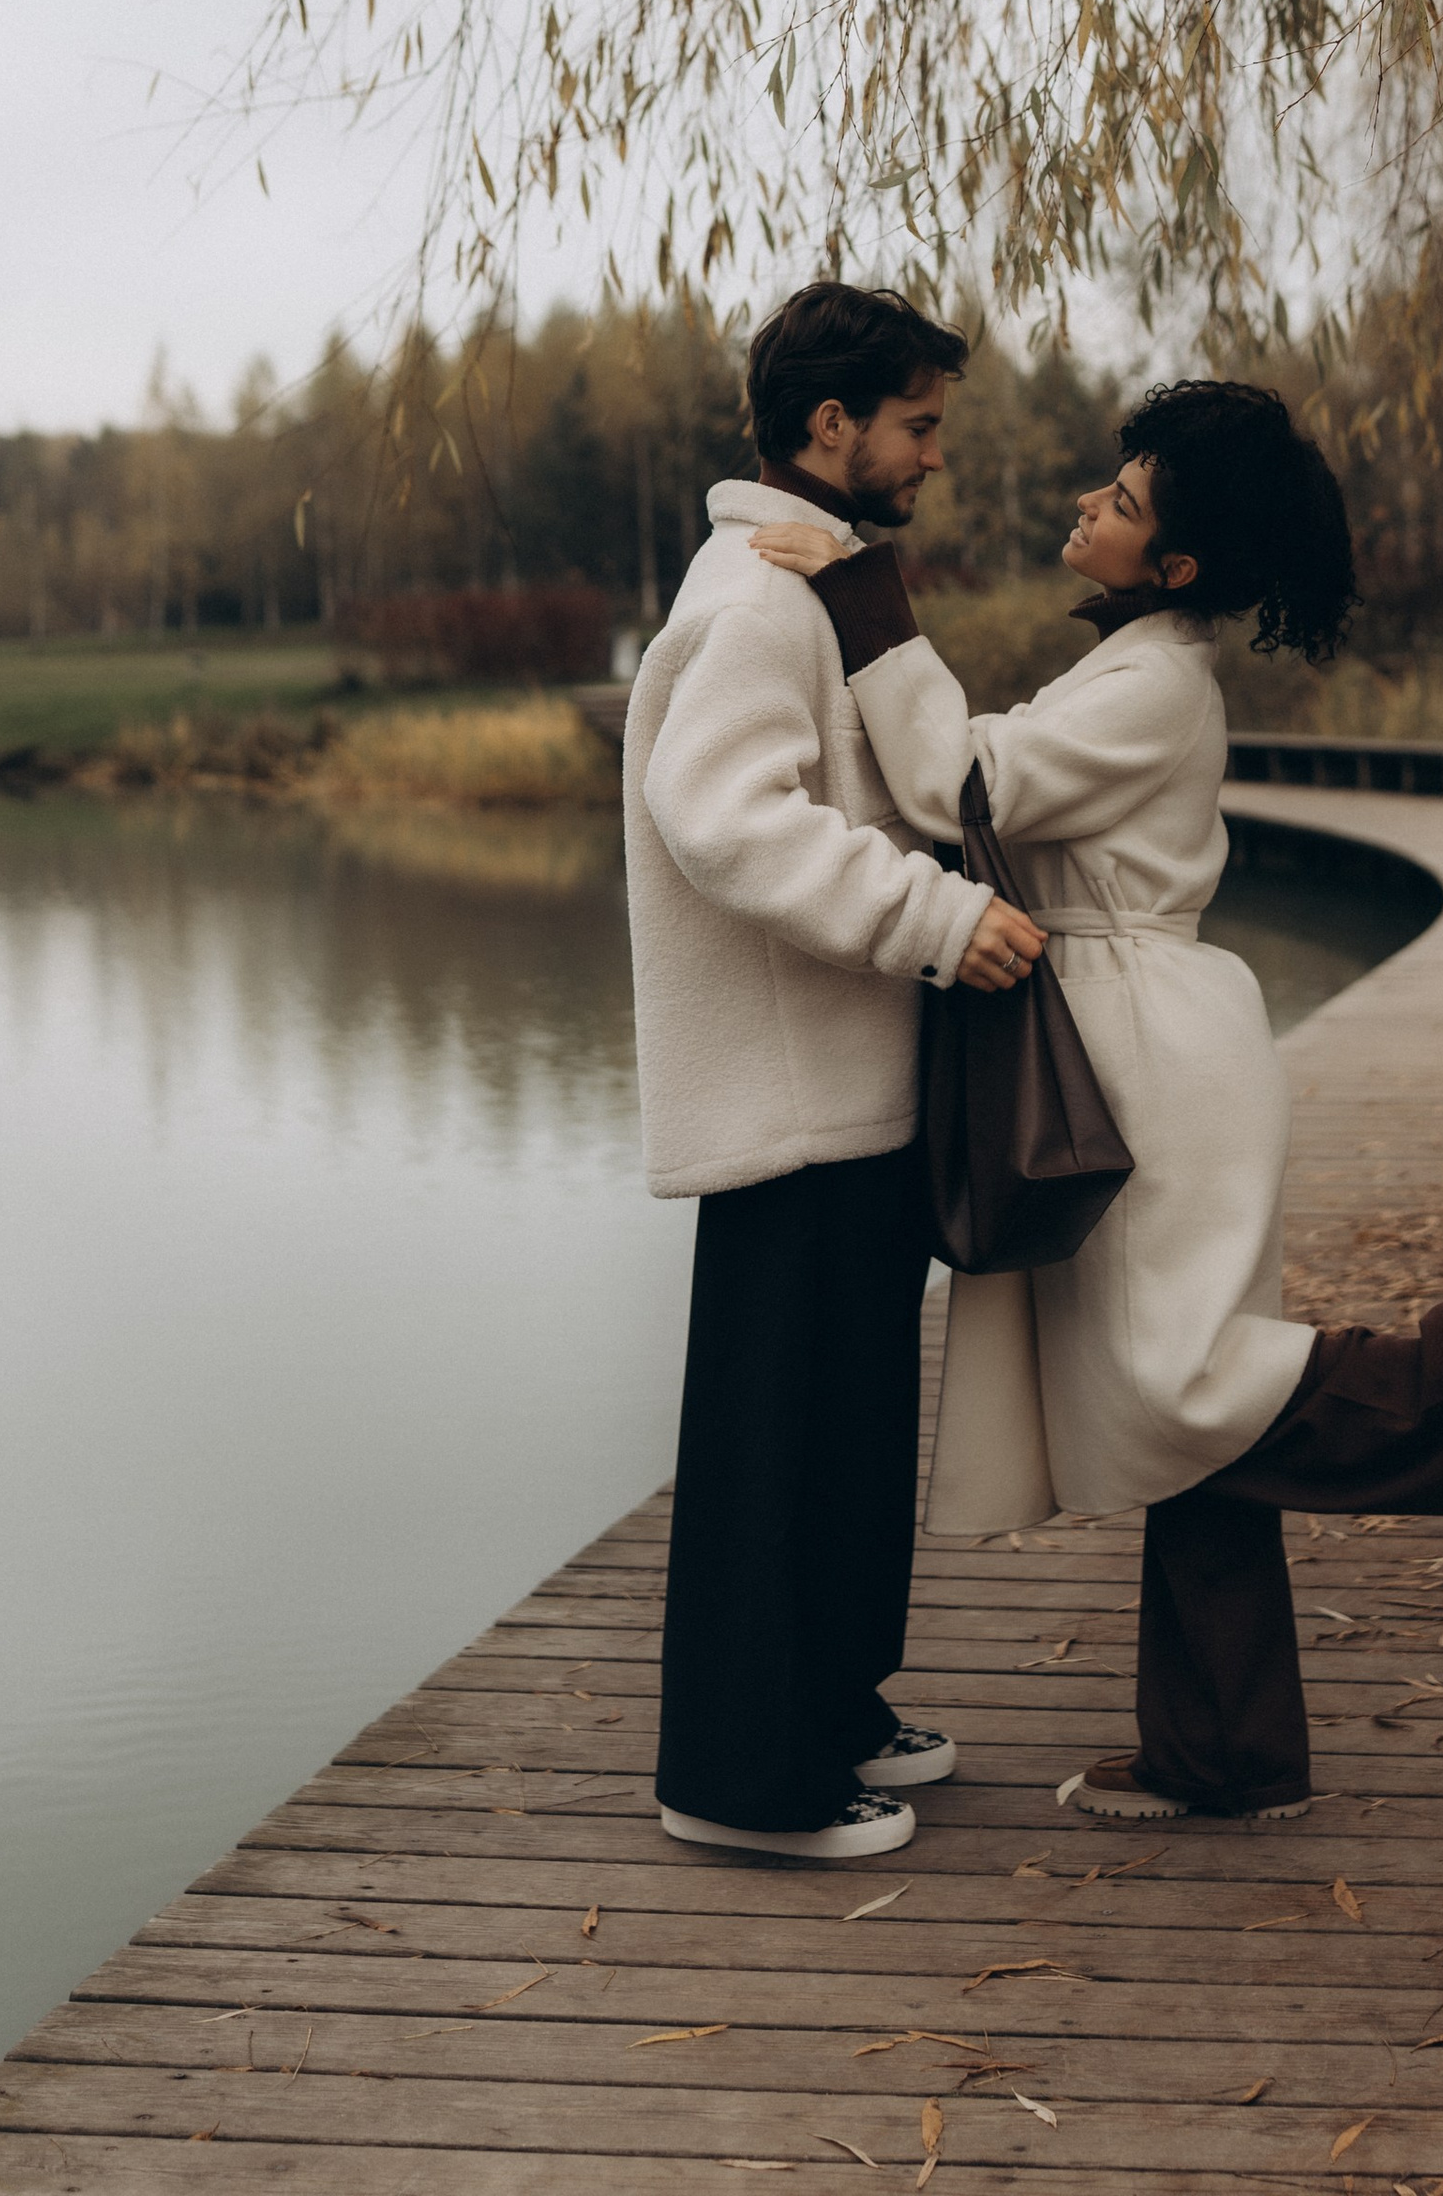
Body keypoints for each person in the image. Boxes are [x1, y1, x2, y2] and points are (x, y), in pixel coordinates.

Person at [750, 377, 1443, 1825]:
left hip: (1143, 1050)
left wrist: (866, 597)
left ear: (1176, 565)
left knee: (1180, 1388)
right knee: (1185, 1420)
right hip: (1141, 1034)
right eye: (1109, 483)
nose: (1087, 504)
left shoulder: (1155, 682)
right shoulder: (1139, 662)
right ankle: (1223, 1751)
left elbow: (952, 781)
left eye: (1124, 500)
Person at [623, 281, 1049, 1866]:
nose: (933, 455)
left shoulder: (812, 580)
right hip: (788, 1108)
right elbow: (723, 814)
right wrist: (936, 921)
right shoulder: (754, 599)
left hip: (848, 1093)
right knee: (773, 1448)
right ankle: (740, 1778)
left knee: (851, 1432)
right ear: (832, 427)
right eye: (918, 426)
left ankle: (829, 1704)